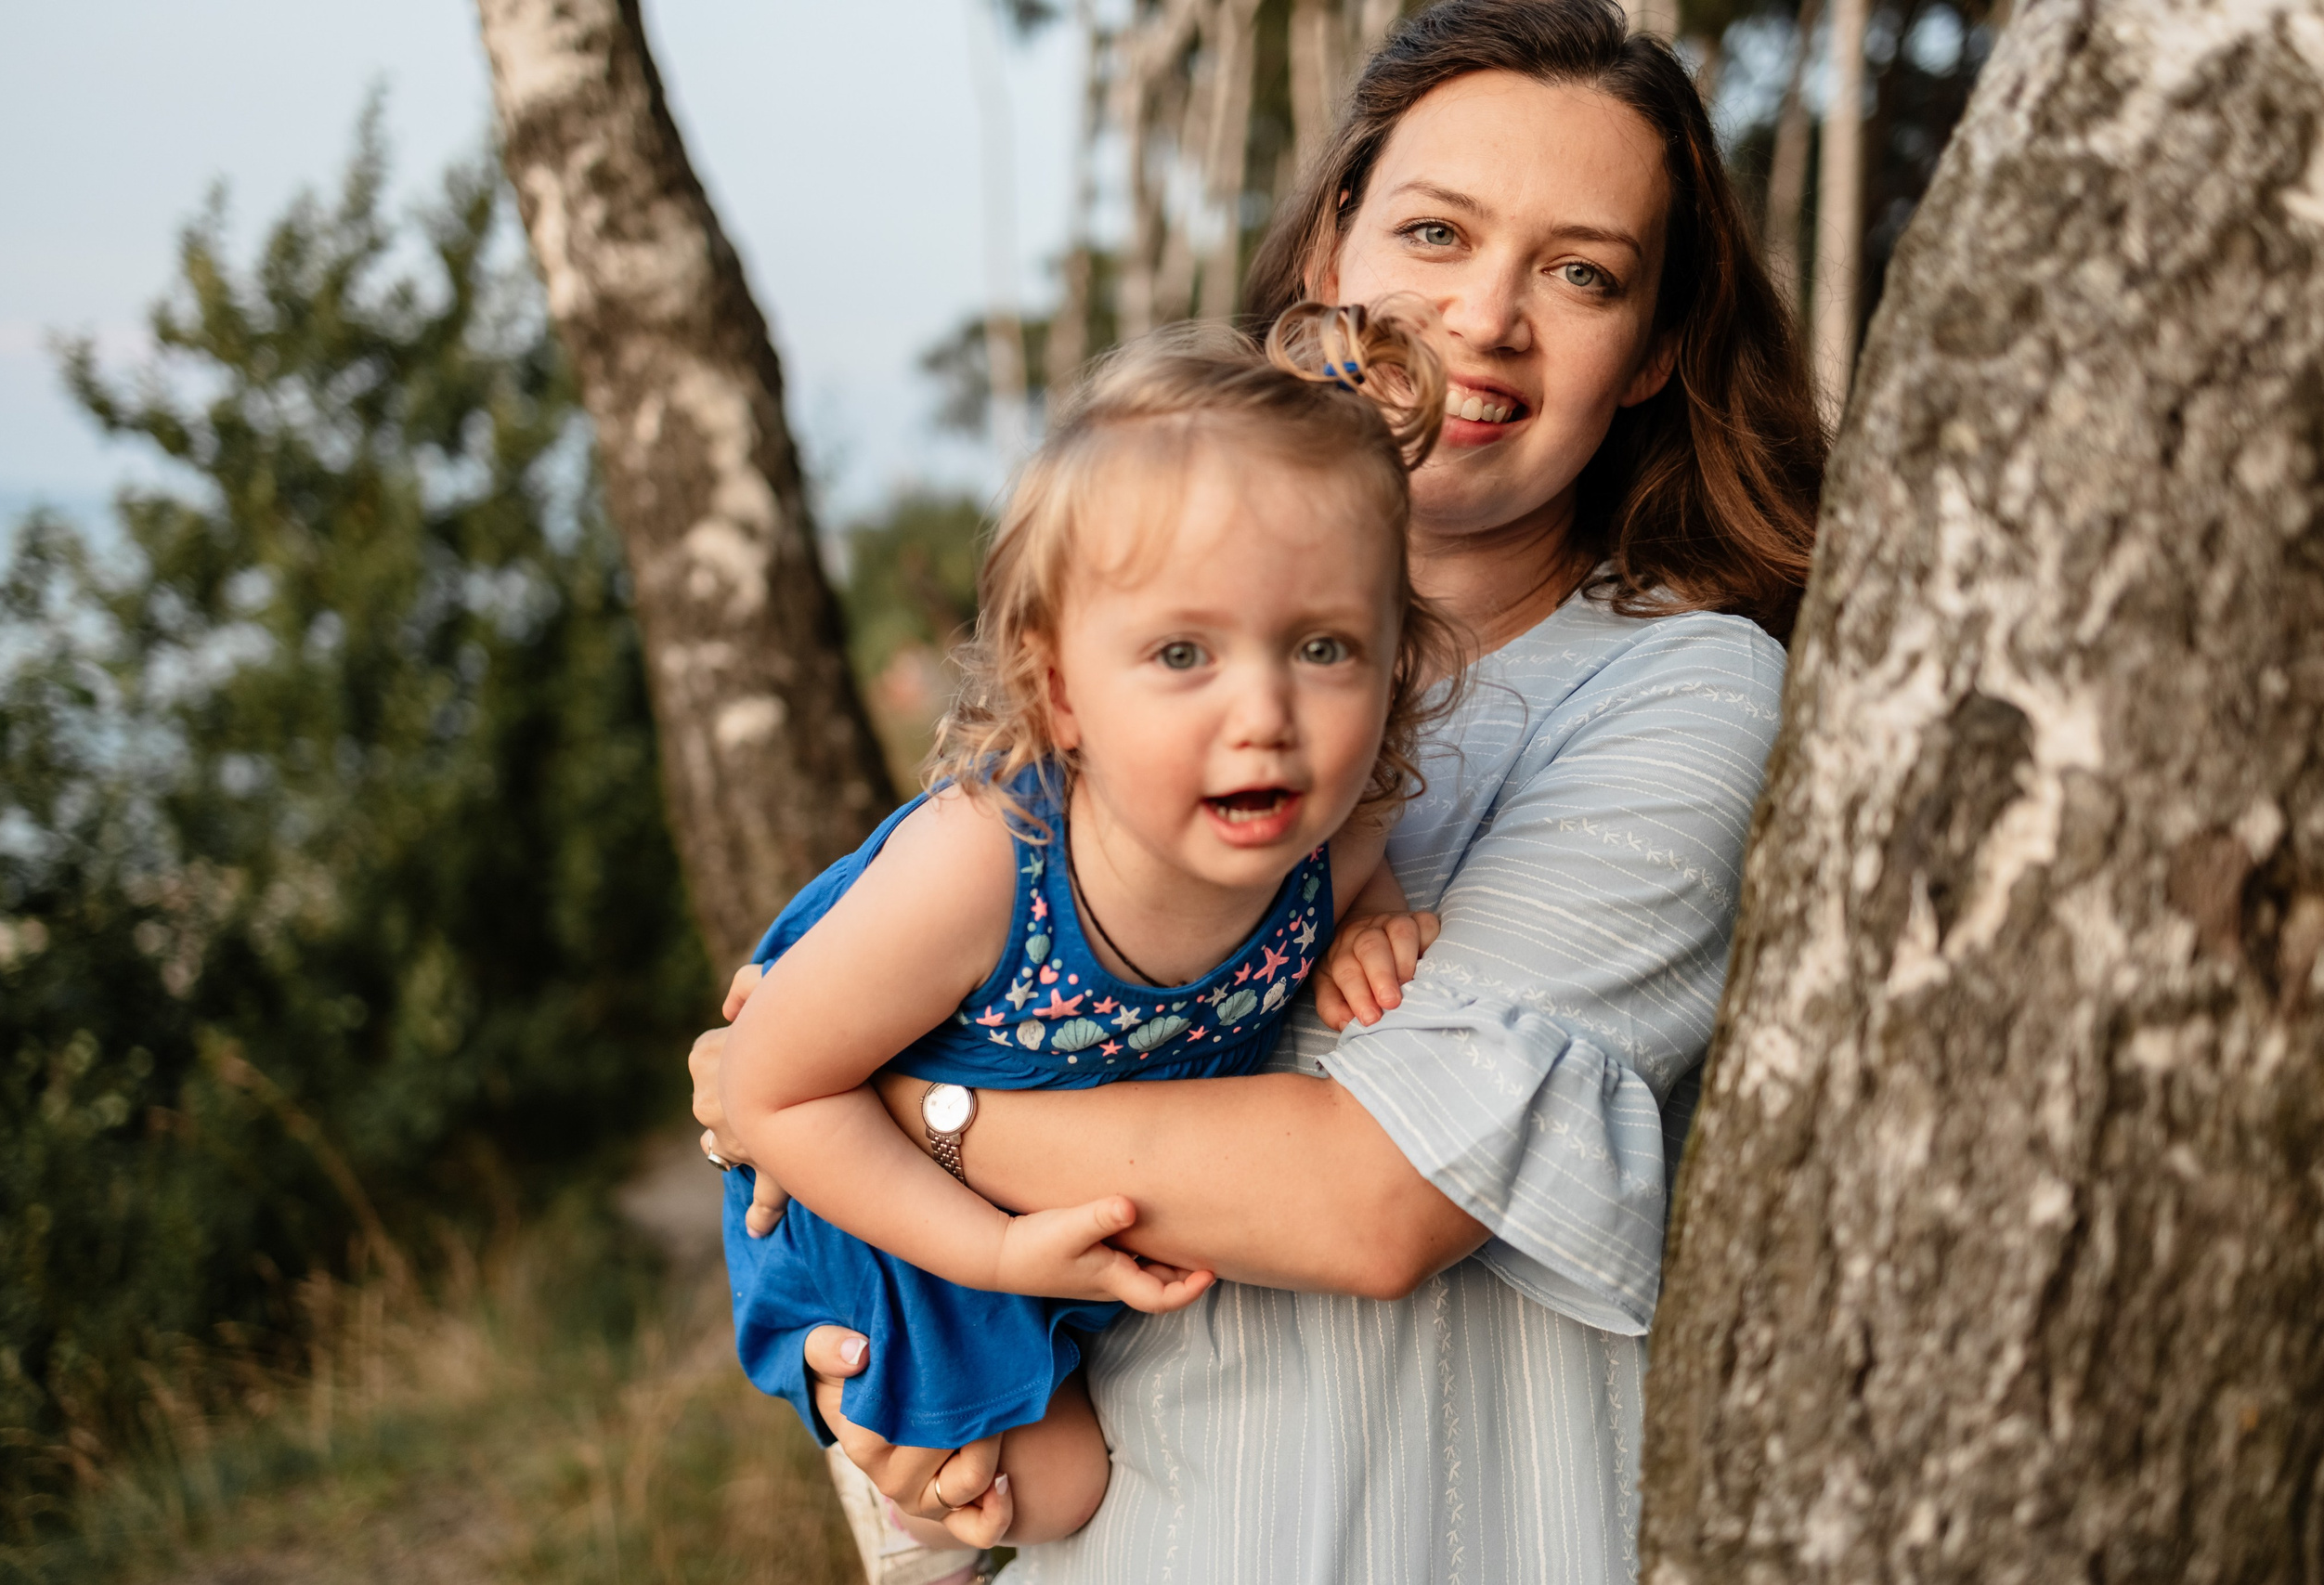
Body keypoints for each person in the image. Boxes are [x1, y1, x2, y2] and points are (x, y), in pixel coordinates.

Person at [694, 0, 1823, 1577]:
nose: (1487, 317)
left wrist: (881, 1105)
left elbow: (1376, 1198)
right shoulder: (1108, 710)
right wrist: (906, 1406)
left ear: (1649, 356)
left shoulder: (1680, 684)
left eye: (1581, 273)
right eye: (1436, 231)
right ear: (1328, 262)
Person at [714, 303, 1462, 1551]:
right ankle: (897, 1500)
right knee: (1048, 1493)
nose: (1263, 713)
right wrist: (995, 1259)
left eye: (1324, 647)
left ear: (1395, 669)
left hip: (1037, 1181)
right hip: (883, 1194)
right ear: (1060, 693)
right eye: (1183, 653)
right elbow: (769, 1090)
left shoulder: (1345, 832)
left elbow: (1354, 867)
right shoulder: (986, 866)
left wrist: (1365, 918)